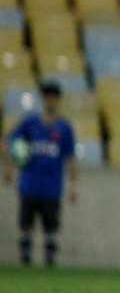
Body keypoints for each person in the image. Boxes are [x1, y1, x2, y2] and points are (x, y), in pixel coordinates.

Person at [1, 81, 77, 266]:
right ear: (42, 99)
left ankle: (50, 262)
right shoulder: (30, 123)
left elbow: (70, 158)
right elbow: (5, 142)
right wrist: (7, 167)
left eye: (53, 96)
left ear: (58, 100)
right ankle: (25, 260)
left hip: (52, 185)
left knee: (51, 227)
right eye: (47, 96)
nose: (50, 100)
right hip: (29, 182)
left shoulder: (64, 128)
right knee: (25, 224)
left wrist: (74, 186)